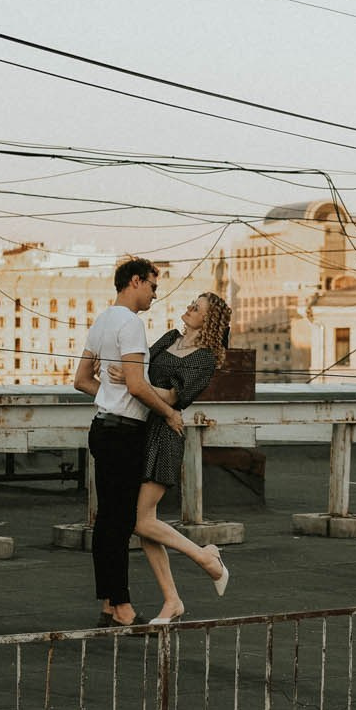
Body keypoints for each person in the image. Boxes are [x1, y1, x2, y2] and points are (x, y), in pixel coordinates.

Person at [108, 291, 232, 623]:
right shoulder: (171, 338)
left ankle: (205, 558)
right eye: (192, 305)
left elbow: (177, 395)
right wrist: (131, 376)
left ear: (208, 320)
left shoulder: (205, 357)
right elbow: (142, 367)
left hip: (164, 434)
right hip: (141, 428)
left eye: (196, 308)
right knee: (144, 524)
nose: (189, 309)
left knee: (141, 520)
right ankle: (172, 600)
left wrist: (130, 379)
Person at [73, 257, 174, 627]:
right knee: (120, 521)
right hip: (123, 434)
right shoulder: (131, 324)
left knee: (107, 521)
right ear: (134, 281)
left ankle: (109, 606)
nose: (154, 294)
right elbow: (136, 385)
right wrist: (168, 412)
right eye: (152, 286)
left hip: (103, 427)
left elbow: (82, 379)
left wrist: (111, 398)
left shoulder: (102, 320)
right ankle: (124, 609)